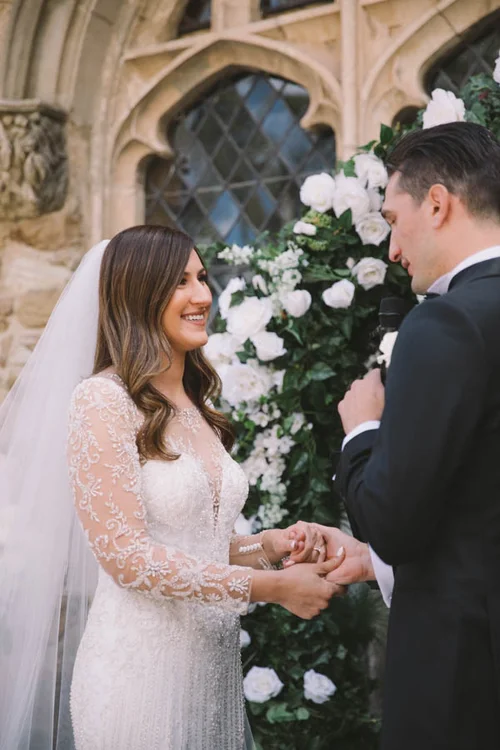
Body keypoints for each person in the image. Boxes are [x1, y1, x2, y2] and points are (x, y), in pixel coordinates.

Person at [0, 225, 345, 750]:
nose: (202, 295)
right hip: (139, 677)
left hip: (209, 673)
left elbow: (192, 545)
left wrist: (268, 547)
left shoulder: (195, 405)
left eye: (202, 277)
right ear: (140, 294)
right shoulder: (102, 400)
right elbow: (127, 557)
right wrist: (271, 588)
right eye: (180, 282)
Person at [332, 121, 500, 750]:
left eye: (393, 219)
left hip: (464, 677)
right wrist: (371, 564)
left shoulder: (446, 323)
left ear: (436, 204)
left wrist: (362, 430)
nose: (392, 248)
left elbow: (394, 523)